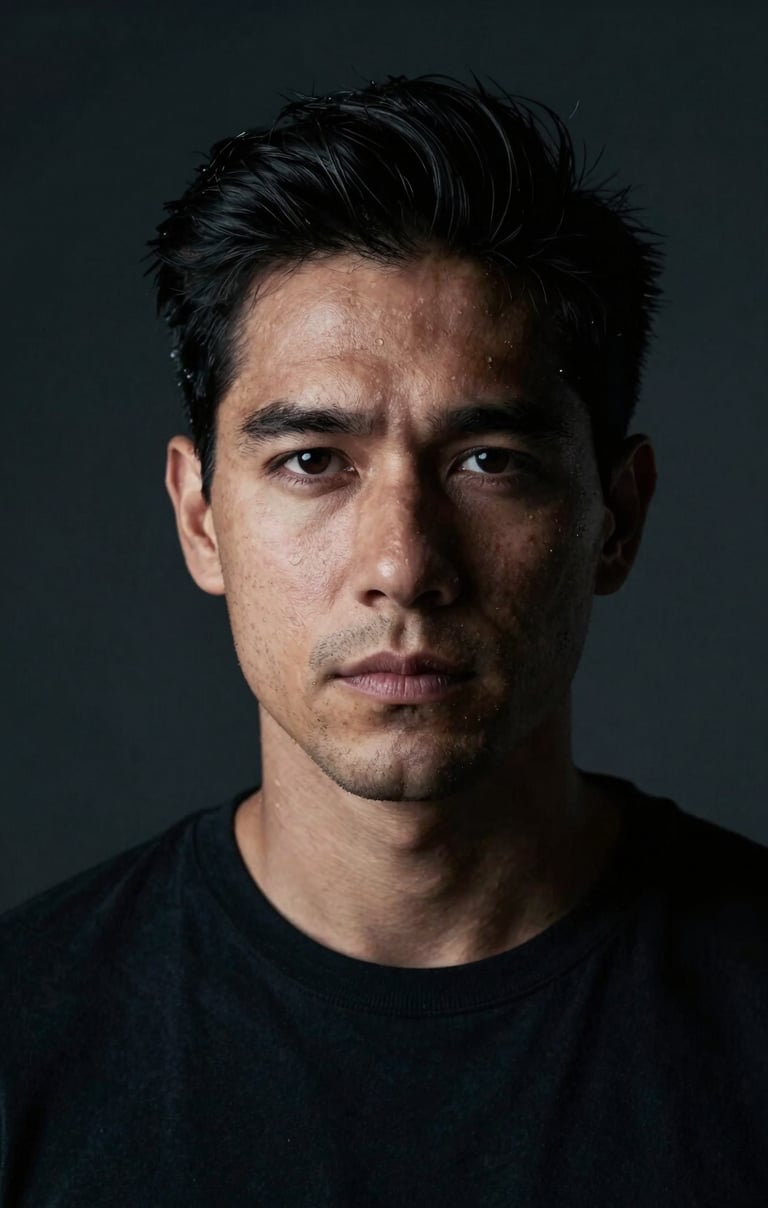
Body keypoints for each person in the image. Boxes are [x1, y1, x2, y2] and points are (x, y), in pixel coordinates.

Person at [1, 73, 766, 1207]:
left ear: (619, 516)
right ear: (200, 516)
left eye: (488, 461)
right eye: (313, 459)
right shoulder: (26, 1036)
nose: (404, 563)